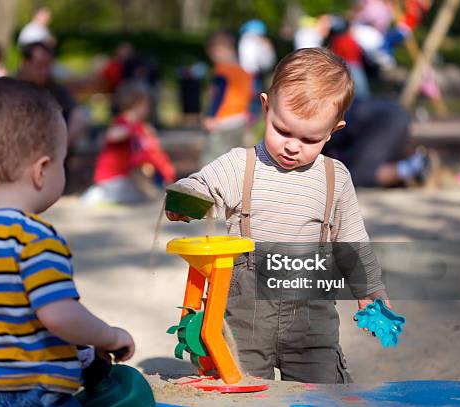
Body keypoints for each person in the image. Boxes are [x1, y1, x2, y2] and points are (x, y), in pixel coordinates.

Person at [166, 48, 389, 383]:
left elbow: (353, 240)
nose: (293, 146)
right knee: (242, 388)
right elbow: (201, 185)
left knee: (322, 392)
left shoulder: (335, 177)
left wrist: (369, 290)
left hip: (312, 320)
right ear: (266, 107)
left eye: (310, 138)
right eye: (283, 130)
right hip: (245, 315)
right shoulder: (241, 165)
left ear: (334, 130)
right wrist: (185, 199)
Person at [0, 77, 135, 406]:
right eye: (62, 160)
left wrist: (82, 354)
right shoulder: (34, 238)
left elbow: (6, 317)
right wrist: (110, 336)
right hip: (23, 395)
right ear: (41, 171)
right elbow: (57, 314)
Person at [81, 81, 175, 205]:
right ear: (139, 103)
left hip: (125, 176)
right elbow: (111, 135)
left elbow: (151, 153)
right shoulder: (123, 123)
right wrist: (131, 131)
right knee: (134, 196)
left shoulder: (140, 126)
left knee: (141, 190)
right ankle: (99, 194)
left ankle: (106, 193)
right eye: (146, 104)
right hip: (112, 178)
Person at [17, 42, 86, 146]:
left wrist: (62, 145)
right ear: (24, 63)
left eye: (48, 65)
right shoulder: (9, 89)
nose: (44, 71)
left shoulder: (55, 88)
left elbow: (79, 116)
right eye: (39, 65)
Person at [203, 30, 253, 165]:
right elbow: (249, 96)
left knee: (212, 158)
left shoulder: (223, 71)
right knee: (234, 158)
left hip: (223, 119)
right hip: (240, 118)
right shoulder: (244, 71)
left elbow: (218, 96)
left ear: (220, 50)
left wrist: (211, 116)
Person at [238, 19, 276, 120]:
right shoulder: (254, 41)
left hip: (246, 72)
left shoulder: (244, 40)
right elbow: (261, 59)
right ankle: (252, 118)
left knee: (250, 95)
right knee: (254, 95)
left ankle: (249, 117)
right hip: (253, 72)